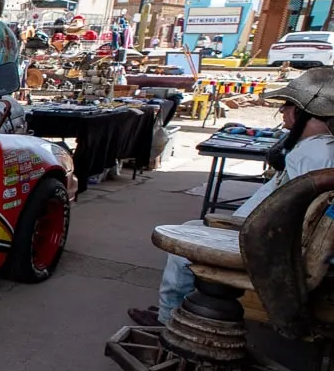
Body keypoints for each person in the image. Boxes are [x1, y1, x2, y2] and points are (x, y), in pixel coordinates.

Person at [129, 66, 334, 327]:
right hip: (261, 234)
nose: (282, 112)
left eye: (286, 106)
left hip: (264, 241)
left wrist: (246, 227)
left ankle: (166, 318)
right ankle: (175, 310)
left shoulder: (314, 153)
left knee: (182, 246)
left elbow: (299, 213)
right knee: (192, 228)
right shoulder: (318, 149)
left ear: (303, 112)